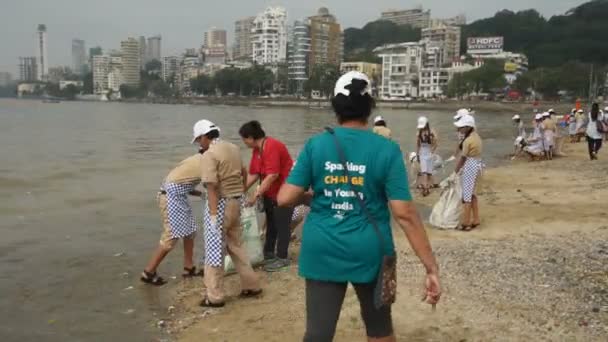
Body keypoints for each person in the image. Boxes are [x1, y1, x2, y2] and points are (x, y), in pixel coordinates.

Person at [277, 71, 441, 342]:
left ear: (335, 106)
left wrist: (317, 195)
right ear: (369, 107)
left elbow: (284, 198)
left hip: (323, 249)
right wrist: (431, 267)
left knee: (318, 333)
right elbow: (405, 214)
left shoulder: (316, 145)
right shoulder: (386, 149)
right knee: (379, 330)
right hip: (371, 251)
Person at [192, 119, 262, 307]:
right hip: (236, 202)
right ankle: (252, 285)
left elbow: (212, 186)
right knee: (236, 246)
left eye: (199, 139)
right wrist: (242, 192)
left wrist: (214, 216)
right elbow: (244, 172)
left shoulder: (210, 154)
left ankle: (214, 296)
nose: (199, 143)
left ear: (206, 136)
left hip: (220, 204)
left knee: (214, 251)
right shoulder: (233, 148)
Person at [141, 152, 205, 285]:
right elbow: (212, 183)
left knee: (190, 232)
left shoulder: (194, 159)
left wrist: (200, 194)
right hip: (170, 198)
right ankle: (148, 272)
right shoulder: (205, 162)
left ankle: (189, 267)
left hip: (177, 196)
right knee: (171, 237)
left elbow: (182, 183)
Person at [240, 120, 295, 272]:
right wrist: (240, 190)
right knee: (271, 222)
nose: (244, 142)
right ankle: (269, 253)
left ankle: (283, 257)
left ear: (250, 137)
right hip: (270, 192)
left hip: (285, 190)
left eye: (244, 139)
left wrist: (255, 195)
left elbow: (272, 175)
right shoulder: (257, 151)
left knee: (282, 224)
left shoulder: (272, 146)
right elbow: (254, 174)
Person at [454, 114, 483, 231]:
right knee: (472, 194)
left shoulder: (468, 141)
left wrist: (456, 171)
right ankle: (475, 219)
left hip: (470, 165)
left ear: (467, 127)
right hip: (477, 164)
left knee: (466, 196)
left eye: (461, 127)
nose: (460, 129)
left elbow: (463, 158)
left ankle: (466, 222)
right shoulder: (477, 137)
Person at [416, 116, 438, 197]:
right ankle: (427, 187)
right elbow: (436, 143)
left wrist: (417, 154)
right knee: (428, 172)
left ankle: (425, 188)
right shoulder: (432, 131)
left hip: (423, 152)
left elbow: (418, 144)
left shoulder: (419, 132)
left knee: (424, 172)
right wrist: (432, 151)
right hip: (430, 152)